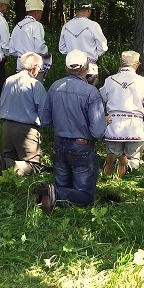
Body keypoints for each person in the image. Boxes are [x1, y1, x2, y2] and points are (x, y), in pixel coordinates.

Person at [32, 49, 107, 213]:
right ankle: (54, 193)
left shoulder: (54, 87)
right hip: (81, 147)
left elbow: (45, 120)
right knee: (85, 196)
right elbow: (97, 132)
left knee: (63, 185)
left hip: (59, 143)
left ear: (66, 68)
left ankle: (52, 195)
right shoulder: (91, 92)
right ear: (87, 69)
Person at [0, 52, 47, 176]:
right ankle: (3, 165)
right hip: (26, 130)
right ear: (34, 67)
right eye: (39, 68)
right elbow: (44, 111)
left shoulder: (9, 80)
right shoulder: (35, 84)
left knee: (9, 157)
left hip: (7, 127)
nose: (39, 71)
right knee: (34, 166)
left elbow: (1, 103)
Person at [100, 50, 144, 178]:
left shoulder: (110, 80)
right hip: (135, 127)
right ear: (137, 65)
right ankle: (127, 166)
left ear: (121, 63)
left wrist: (101, 118)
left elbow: (99, 99)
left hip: (113, 125)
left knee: (113, 152)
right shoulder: (143, 82)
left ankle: (113, 162)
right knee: (134, 157)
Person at [59, 0, 108, 85]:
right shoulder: (93, 25)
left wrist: (72, 55)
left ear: (76, 10)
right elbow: (103, 47)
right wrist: (93, 55)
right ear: (88, 10)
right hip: (90, 69)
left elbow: (62, 48)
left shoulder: (66, 26)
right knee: (90, 96)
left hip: (72, 69)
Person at [9, 0, 52, 81]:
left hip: (20, 67)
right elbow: (40, 48)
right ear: (36, 12)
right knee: (35, 91)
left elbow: (12, 50)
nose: (41, 16)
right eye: (41, 13)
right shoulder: (36, 25)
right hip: (34, 68)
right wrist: (46, 53)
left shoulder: (18, 26)